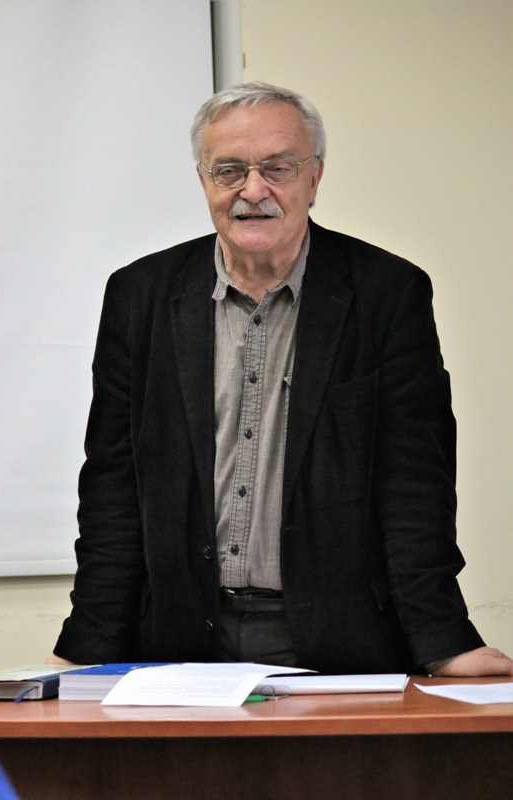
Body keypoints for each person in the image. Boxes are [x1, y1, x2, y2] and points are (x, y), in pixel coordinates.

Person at [48, 82, 511, 677]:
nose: (253, 190)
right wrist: (85, 646)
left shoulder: (387, 294)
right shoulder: (139, 296)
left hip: (343, 644)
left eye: (277, 168)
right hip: (176, 644)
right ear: (203, 181)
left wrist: (445, 641)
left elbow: (415, 487)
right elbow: (113, 489)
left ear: (314, 178)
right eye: (229, 171)